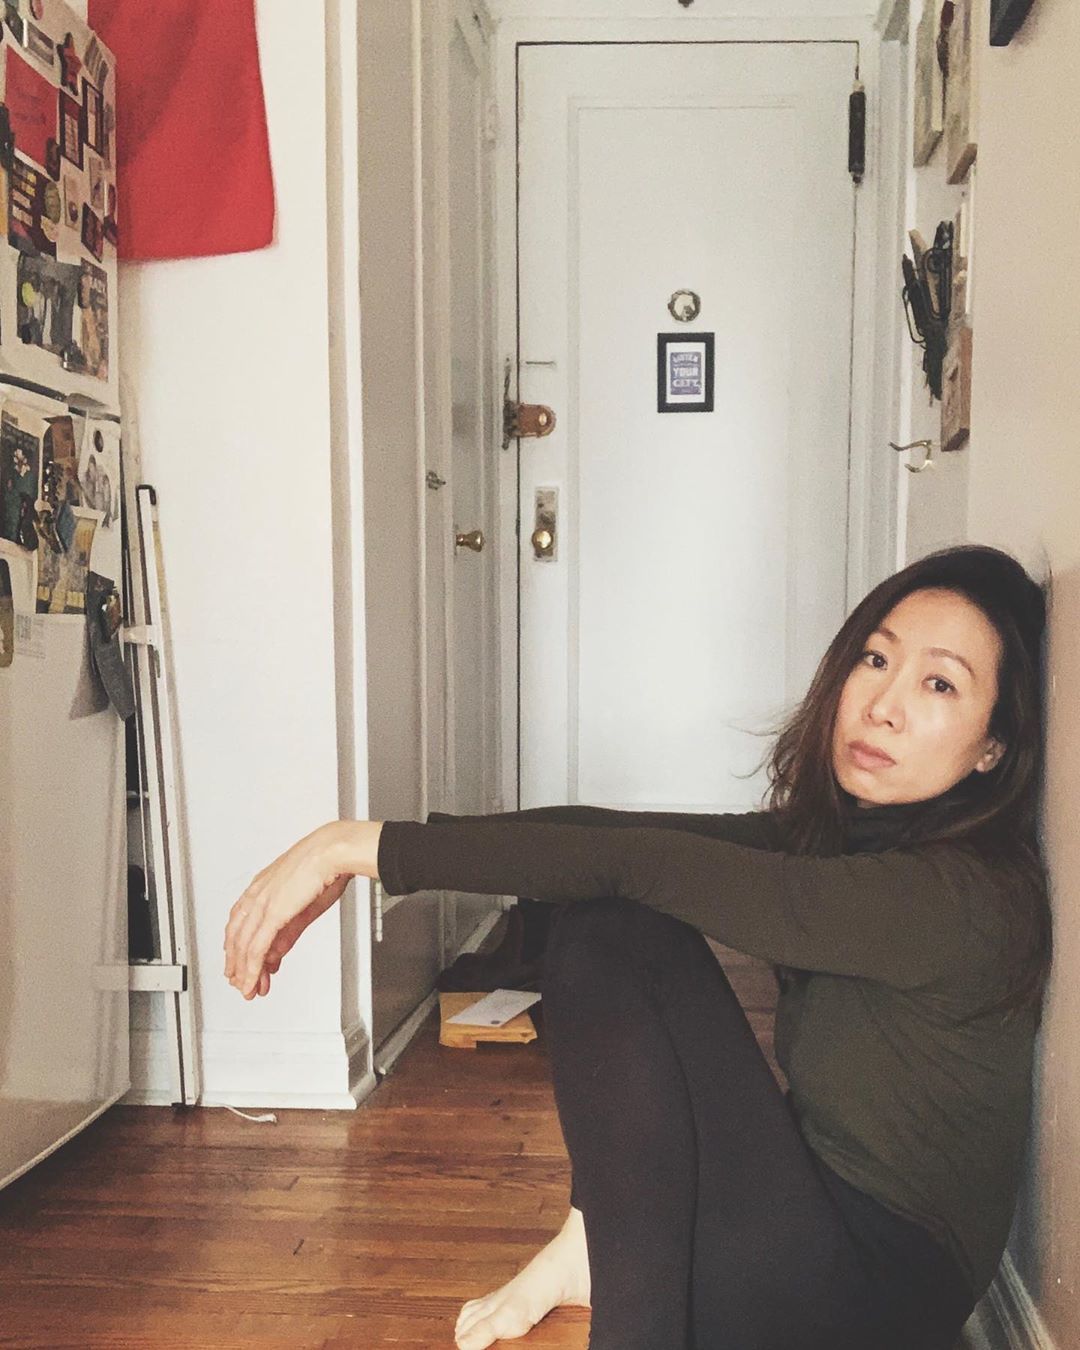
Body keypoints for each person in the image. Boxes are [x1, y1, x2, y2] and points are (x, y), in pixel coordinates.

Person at [224, 544, 1050, 1350]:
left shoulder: (963, 899)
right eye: (875, 659)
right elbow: (618, 834)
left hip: (866, 1303)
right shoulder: (845, 842)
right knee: (606, 902)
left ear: (994, 746)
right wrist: (376, 846)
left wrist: (352, 850)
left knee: (615, 922)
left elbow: (633, 864)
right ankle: (590, 1248)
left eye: (940, 683)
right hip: (813, 1228)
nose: (883, 705)